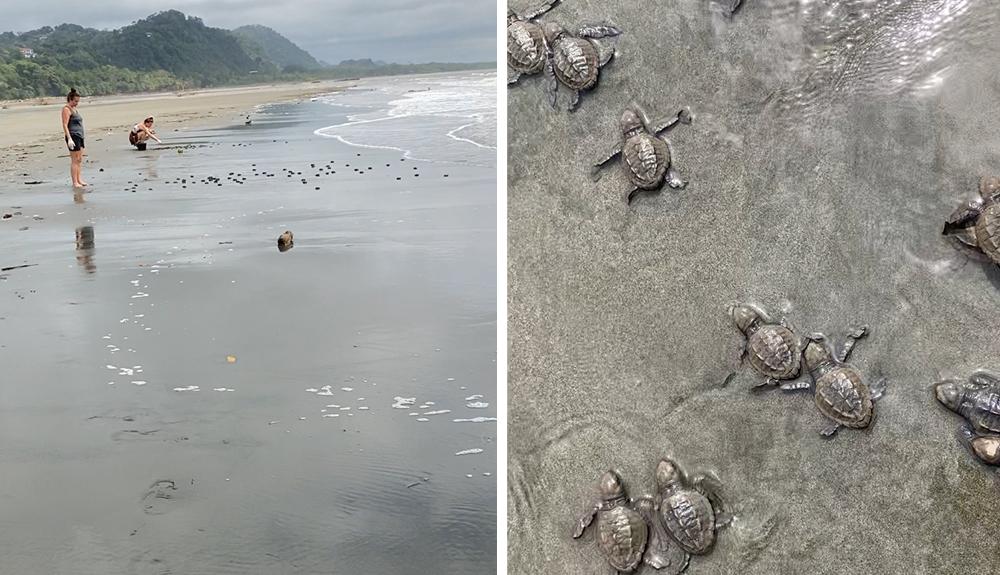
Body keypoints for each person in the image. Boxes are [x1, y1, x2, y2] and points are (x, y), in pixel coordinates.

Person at [61, 88, 87, 188]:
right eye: (75, 101)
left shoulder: (75, 109)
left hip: (80, 136)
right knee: (74, 160)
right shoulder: (66, 109)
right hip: (73, 136)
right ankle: (75, 182)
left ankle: (79, 179)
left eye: (78, 101)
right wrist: (69, 138)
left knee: (79, 159)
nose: (77, 103)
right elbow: (64, 124)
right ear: (70, 99)